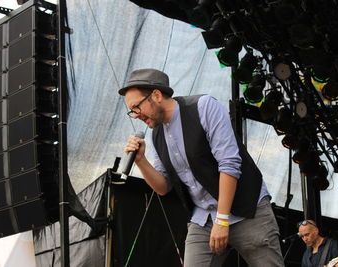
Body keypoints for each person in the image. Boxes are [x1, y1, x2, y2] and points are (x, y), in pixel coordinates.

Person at [119, 68, 284, 267]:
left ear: (156, 95)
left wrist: (222, 220)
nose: (135, 115)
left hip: (247, 209)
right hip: (204, 218)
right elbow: (163, 187)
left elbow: (229, 163)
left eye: (136, 107)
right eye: (131, 111)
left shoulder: (203, 107)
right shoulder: (157, 135)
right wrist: (140, 161)